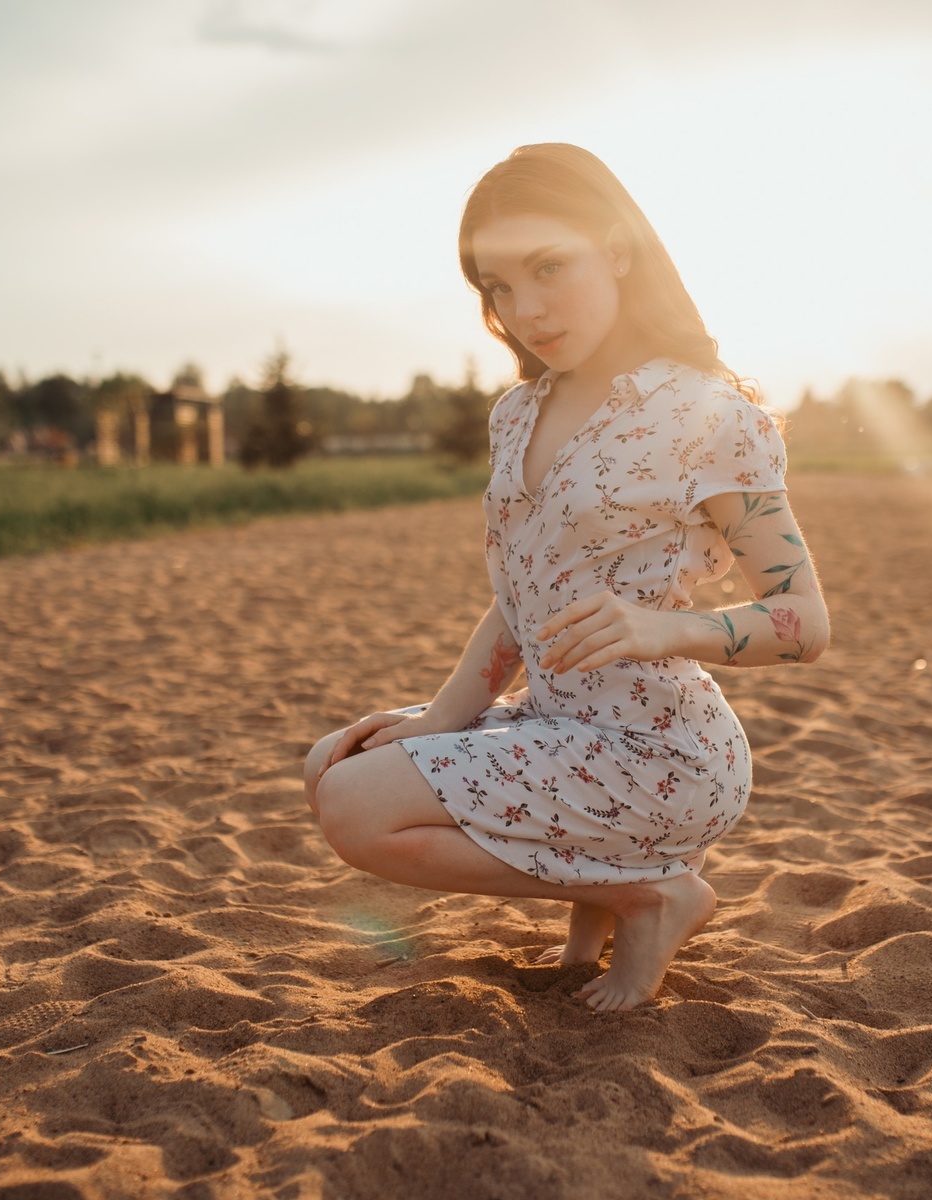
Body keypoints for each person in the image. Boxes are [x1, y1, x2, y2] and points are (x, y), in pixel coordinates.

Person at [305, 143, 829, 1011]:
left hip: (662, 749)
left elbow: (804, 619)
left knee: (358, 809)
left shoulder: (704, 414)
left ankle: (648, 895)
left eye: (549, 267)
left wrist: (668, 627)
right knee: (334, 763)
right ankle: (606, 888)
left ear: (618, 249)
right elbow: (520, 595)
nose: (526, 310)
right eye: (498, 287)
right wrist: (441, 718)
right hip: (552, 726)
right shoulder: (517, 414)